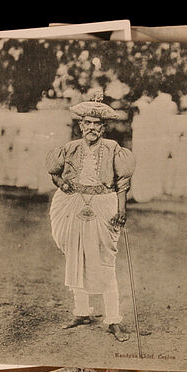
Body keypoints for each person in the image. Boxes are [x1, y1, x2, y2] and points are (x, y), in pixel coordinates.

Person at [46, 96, 135, 342]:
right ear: (81, 125)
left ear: (103, 127)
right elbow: (54, 171)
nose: (92, 128)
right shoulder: (71, 147)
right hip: (73, 202)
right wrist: (62, 182)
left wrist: (122, 209)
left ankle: (113, 319)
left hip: (104, 203)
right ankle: (82, 312)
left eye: (97, 124)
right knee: (75, 255)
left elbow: (123, 183)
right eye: (87, 123)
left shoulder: (113, 149)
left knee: (106, 260)